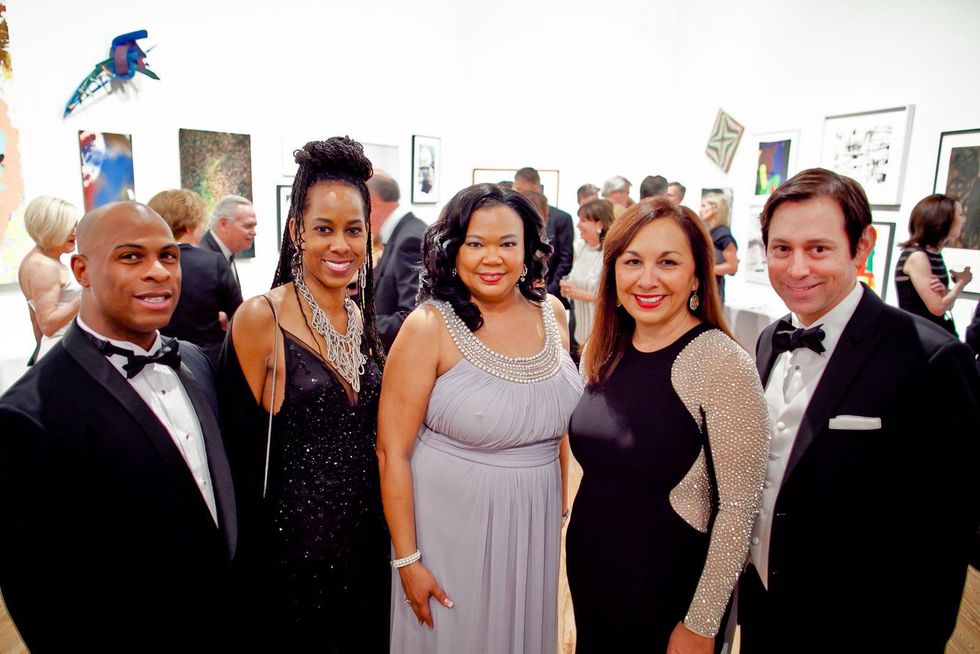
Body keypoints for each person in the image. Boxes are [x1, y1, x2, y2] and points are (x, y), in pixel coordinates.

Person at [738, 168, 980, 653]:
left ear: (862, 246)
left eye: (819, 249)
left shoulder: (928, 358)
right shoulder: (769, 340)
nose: (797, 267)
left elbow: (944, 537)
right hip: (765, 608)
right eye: (782, 249)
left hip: (861, 626)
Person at [0, 201, 237, 652]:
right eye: (131, 257)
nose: (159, 272)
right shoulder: (30, 415)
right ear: (82, 270)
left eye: (168, 256)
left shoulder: (193, 360)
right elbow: (45, 601)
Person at [378, 183, 583, 653]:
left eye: (507, 244)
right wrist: (408, 559)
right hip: (450, 530)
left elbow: (559, 425)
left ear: (528, 249)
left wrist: (561, 503)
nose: (492, 258)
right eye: (476, 243)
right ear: (453, 249)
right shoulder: (429, 326)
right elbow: (392, 452)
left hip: (534, 522)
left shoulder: (552, 314)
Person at [566, 198, 770, 653]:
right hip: (594, 574)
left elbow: (738, 508)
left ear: (698, 274)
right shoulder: (605, 349)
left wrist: (702, 623)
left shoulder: (722, 362)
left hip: (668, 591)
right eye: (633, 261)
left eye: (668, 262)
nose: (647, 278)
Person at [217, 137, 390, 652]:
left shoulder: (360, 318)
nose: (341, 245)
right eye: (323, 229)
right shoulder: (261, 319)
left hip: (366, 542)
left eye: (354, 230)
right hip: (294, 554)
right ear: (296, 231)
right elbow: (237, 453)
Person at [150, 189, 243, 367]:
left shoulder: (146, 267)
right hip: (207, 364)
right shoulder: (213, 262)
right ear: (188, 226)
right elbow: (240, 317)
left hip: (158, 359)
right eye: (201, 223)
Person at [894, 193, 972, 336]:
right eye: (960, 215)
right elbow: (937, 307)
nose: (963, 220)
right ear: (943, 220)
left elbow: (945, 304)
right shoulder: (917, 256)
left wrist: (945, 293)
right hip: (918, 339)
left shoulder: (933, 254)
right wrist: (962, 282)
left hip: (928, 336)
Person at [17, 195, 82, 364]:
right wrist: (86, 297)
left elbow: (36, 320)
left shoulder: (37, 260)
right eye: (68, 227)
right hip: (62, 352)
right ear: (50, 228)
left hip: (60, 351)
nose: (75, 232)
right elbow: (47, 324)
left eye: (75, 225)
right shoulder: (44, 267)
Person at [368, 171, 426, 349]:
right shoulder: (405, 232)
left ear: (370, 203)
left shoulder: (409, 241)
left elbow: (413, 316)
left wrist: (357, 326)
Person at [513, 167, 574, 307]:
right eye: (516, 189)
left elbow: (565, 260)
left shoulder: (561, 217)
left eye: (521, 188)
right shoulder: (512, 216)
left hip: (551, 292)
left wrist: (550, 289)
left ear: (535, 186)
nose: (518, 193)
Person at [559, 199, 613, 355]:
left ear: (599, 224)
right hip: (579, 329)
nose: (578, 225)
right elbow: (578, 278)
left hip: (601, 333)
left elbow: (616, 298)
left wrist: (585, 295)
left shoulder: (610, 255)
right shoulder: (582, 248)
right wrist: (567, 288)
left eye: (583, 220)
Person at [200, 194, 257, 288]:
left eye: (254, 226)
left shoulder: (226, 254)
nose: (254, 232)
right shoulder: (206, 260)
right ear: (223, 224)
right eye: (248, 226)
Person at [700, 191, 738, 304]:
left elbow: (732, 266)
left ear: (715, 208)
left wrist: (704, 270)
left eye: (704, 206)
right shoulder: (711, 232)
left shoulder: (723, 234)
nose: (701, 209)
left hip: (713, 290)